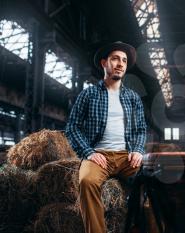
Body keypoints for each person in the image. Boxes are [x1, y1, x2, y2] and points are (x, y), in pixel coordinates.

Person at [65, 41, 147, 233]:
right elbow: (72, 127)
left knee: (151, 183)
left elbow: (141, 129)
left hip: (126, 157)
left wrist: (138, 150)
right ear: (104, 63)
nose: (120, 64)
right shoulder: (88, 94)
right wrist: (89, 152)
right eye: (115, 59)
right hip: (98, 155)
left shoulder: (133, 97)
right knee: (87, 182)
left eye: (124, 61)